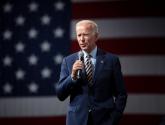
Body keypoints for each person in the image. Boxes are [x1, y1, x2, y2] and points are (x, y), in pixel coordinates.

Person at [56, 20, 127, 125]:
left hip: (104, 120)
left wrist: (113, 119)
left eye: (85, 35)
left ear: (96, 36)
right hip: (77, 121)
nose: (81, 39)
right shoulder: (68, 61)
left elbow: (121, 94)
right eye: (79, 35)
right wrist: (72, 77)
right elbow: (60, 95)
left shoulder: (111, 60)